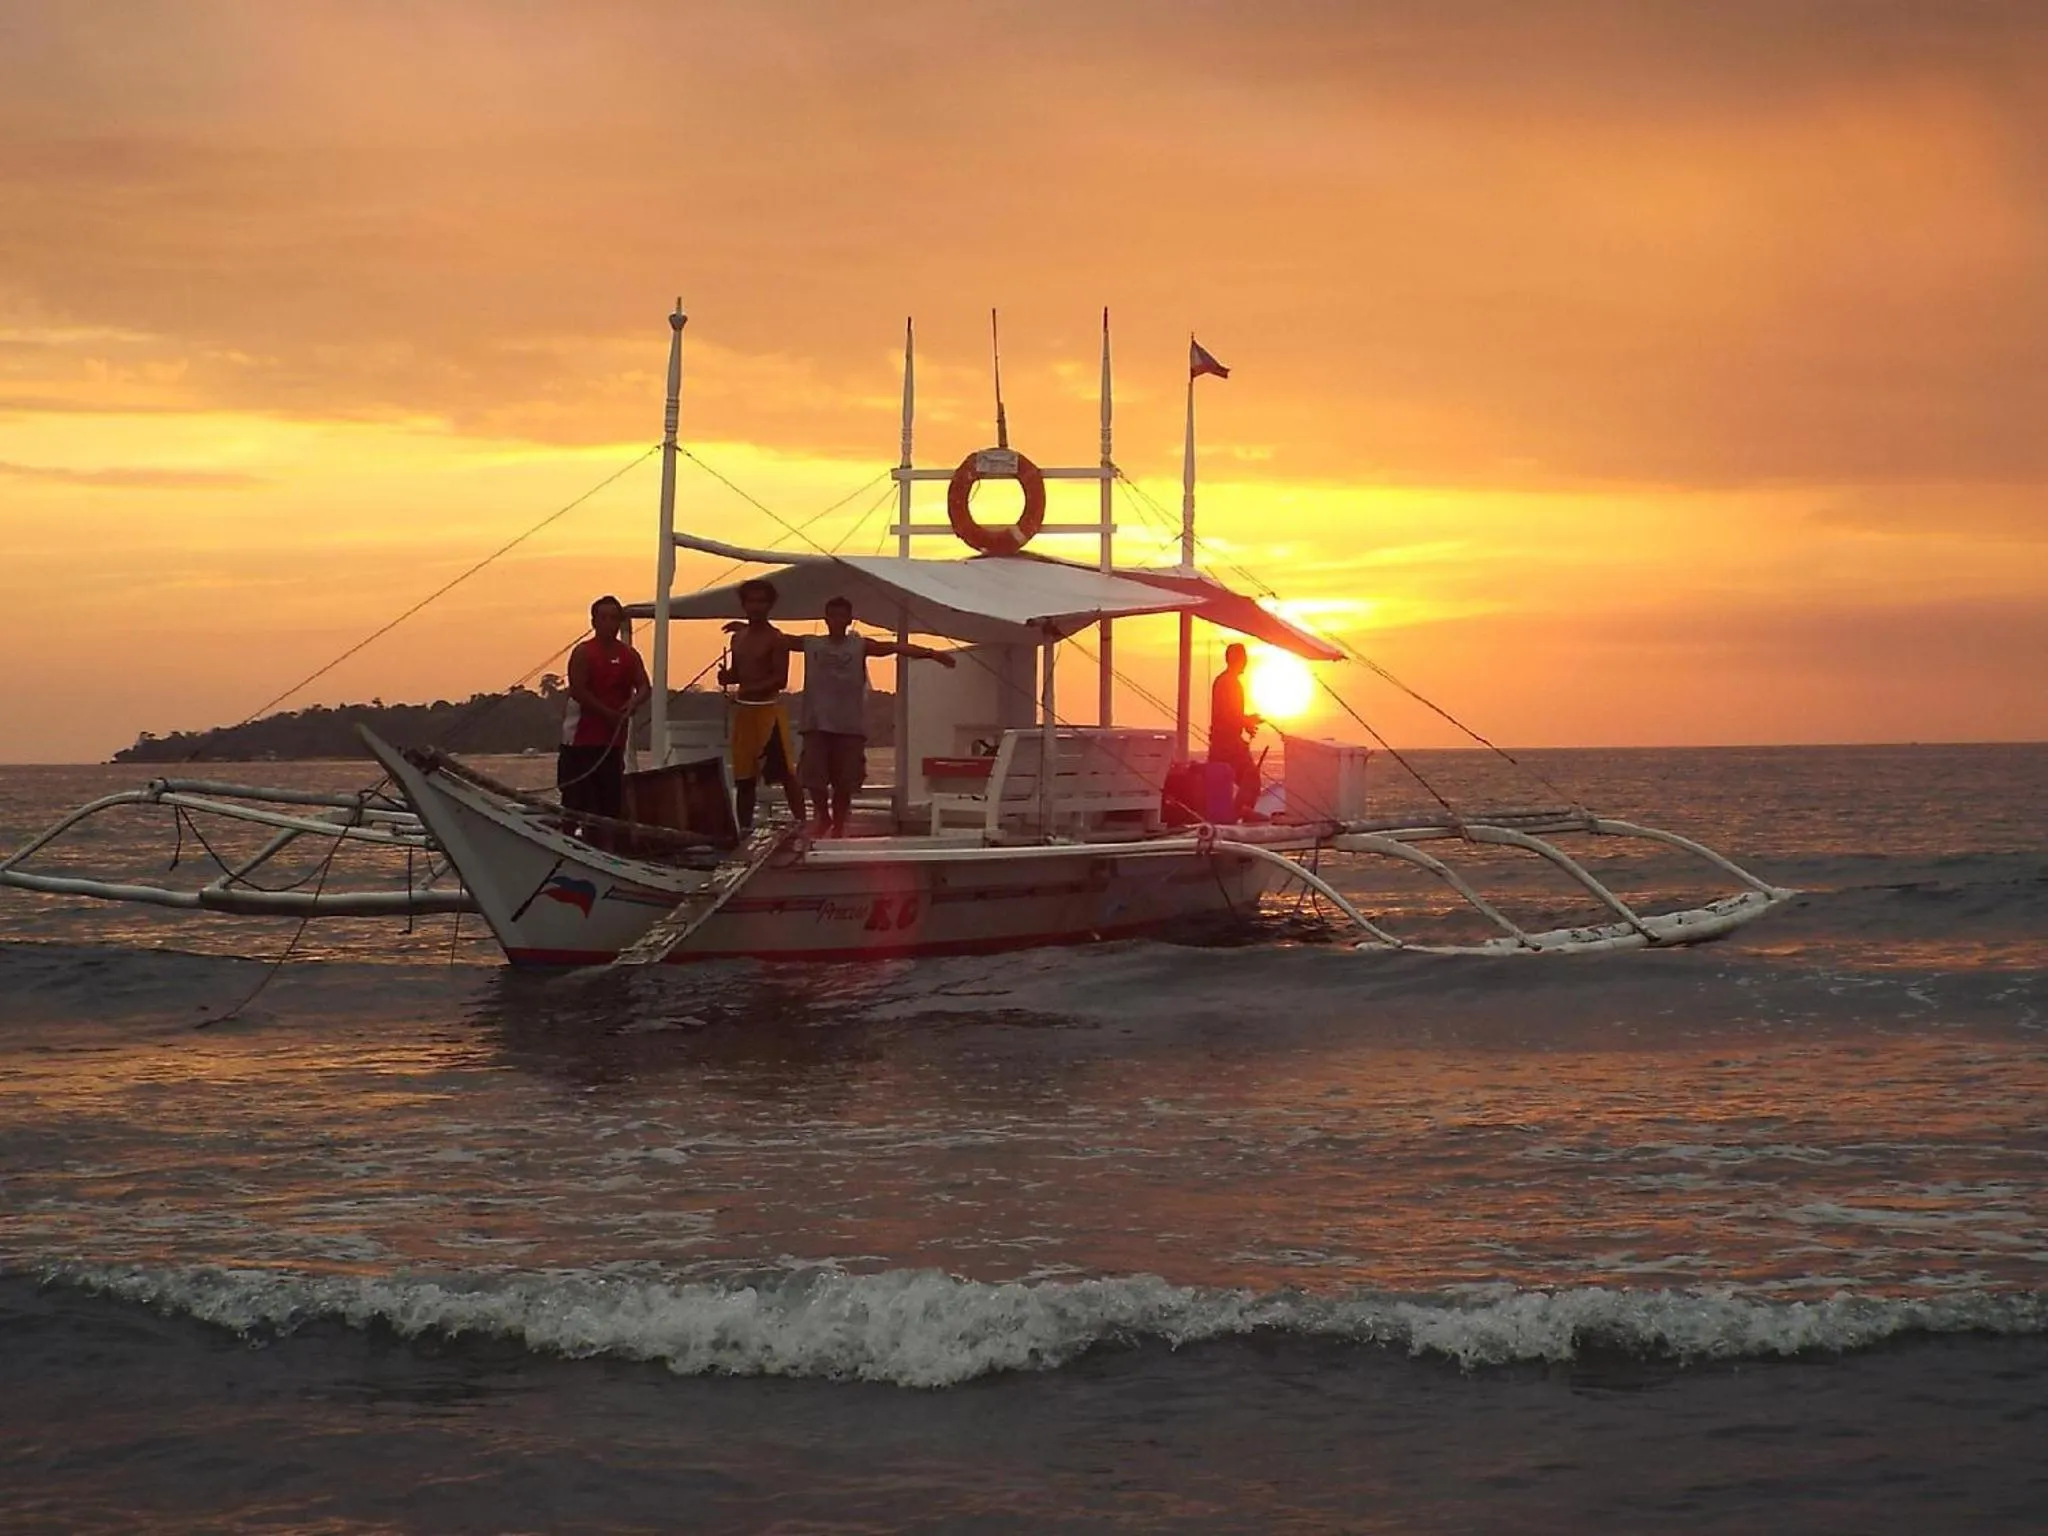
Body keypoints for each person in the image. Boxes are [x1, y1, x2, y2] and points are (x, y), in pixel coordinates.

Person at [799, 595, 956, 837]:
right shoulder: (812, 643)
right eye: (833, 616)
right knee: (814, 778)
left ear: (849, 619)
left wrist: (931, 653)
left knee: (845, 783)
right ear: (826, 619)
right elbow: (777, 641)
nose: (837, 621)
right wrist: (747, 627)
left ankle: (839, 826)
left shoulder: (859, 645)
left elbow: (894, 647)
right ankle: (824, 817)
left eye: (842, 616)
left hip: (849, 726)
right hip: (816, 723)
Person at [718, 577, 806, 832]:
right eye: (751, 602)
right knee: (744, 778)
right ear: (744, 605)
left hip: (768, 712)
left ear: (770, 606)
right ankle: (743, 831)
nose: (756, 607)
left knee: (786, 774)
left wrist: (745, 690)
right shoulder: (738, 638)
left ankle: (802, 824)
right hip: (744, 714)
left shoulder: (777, 639)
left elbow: (779, 679)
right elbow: (739, 673)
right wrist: (728, 678)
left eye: (761, 602)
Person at [558, 594, 651, 833]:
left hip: (612, 739)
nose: (609, 623)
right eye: (604, 618)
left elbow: (644, 687)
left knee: (609, 800)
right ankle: (567, 841)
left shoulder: (629, 655)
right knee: (574, 798)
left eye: (614, 618)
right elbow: (578, 690)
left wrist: (633, 704)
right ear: (594, 622)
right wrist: (607, 713)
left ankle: (605, 847)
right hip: (580, 739)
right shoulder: (583, 652)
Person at [1208, 642, 1264, 822]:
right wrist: (1247, 720)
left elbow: (1230, 713)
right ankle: (1240, 811)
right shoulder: (1229, 682)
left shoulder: (1225, 681)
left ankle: (1234, 813)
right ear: (1236, 659)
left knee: (1223, 782)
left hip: (1221, 742)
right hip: (1228, 743)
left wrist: (1246, 723)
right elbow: (1228, 714)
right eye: (1243, 657)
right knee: (1252, 777)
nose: (1246, 661)